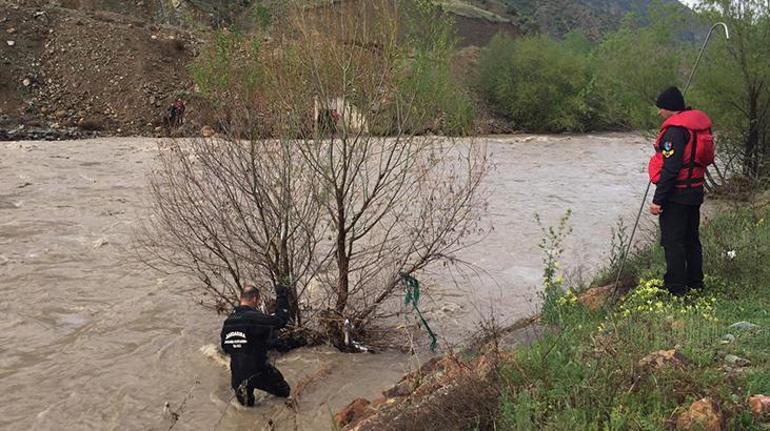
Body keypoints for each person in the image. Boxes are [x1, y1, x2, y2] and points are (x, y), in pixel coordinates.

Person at [648, 86, 716, 296]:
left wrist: (658, 200)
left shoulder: (675, 131)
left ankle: (675, 288)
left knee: (673, 242)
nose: (659, 112)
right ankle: (695, 282)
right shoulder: (695, 127)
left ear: (669, 108)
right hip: (695, 192)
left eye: (661, 108)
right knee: (691, 239)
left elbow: (671, 169)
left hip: (676, 196)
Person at [220, 284, 291, 406]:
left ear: (241, 298)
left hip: (237, 377)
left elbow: (225, 348)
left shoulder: (228, 322)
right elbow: (281, 320)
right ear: (255, 299)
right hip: (258, 371)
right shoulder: (255, 318)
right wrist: (282, 296)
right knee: (285, 394)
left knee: (247, 409)